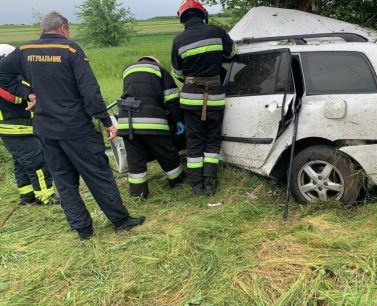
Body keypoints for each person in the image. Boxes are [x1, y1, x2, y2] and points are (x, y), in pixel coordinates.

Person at [0, 12, 145, 240]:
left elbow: (3, 74)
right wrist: (107, 122)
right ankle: (120, 220)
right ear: (64, 28)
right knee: (97, 173)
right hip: (76, 128)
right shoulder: (70, 50)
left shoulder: (24, 50)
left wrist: (27, 93)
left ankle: (83, 230)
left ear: (43, 29)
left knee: (64, 181)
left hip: (46, 130)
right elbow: (90, 91)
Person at [171, 0, 236, 196]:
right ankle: (210, 182)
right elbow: (232, 53)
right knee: (213, 140)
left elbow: (177, 72)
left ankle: (196, 184)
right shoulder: (216, 31)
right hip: (215, 96)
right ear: (203, 15)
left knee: (194, 141)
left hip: (191, 98)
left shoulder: (178, 40)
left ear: (183, 19)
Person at [117, 56, 185, 198]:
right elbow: (171, 98)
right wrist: (178, 119)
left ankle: (138, 194)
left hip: (126, 121)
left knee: (135, 159)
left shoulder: (127, 70)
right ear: (155, 63)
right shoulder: (159, 70)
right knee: (166, 152)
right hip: (151, 119)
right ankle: (178, 182)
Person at [0, 44, 57, 205]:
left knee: (21, 162)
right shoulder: (5, 81)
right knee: (37, 161)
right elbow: (16, 98)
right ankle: (46, 196)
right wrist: (30, 86)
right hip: (15, 129)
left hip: (15, 129)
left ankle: (27, 195)